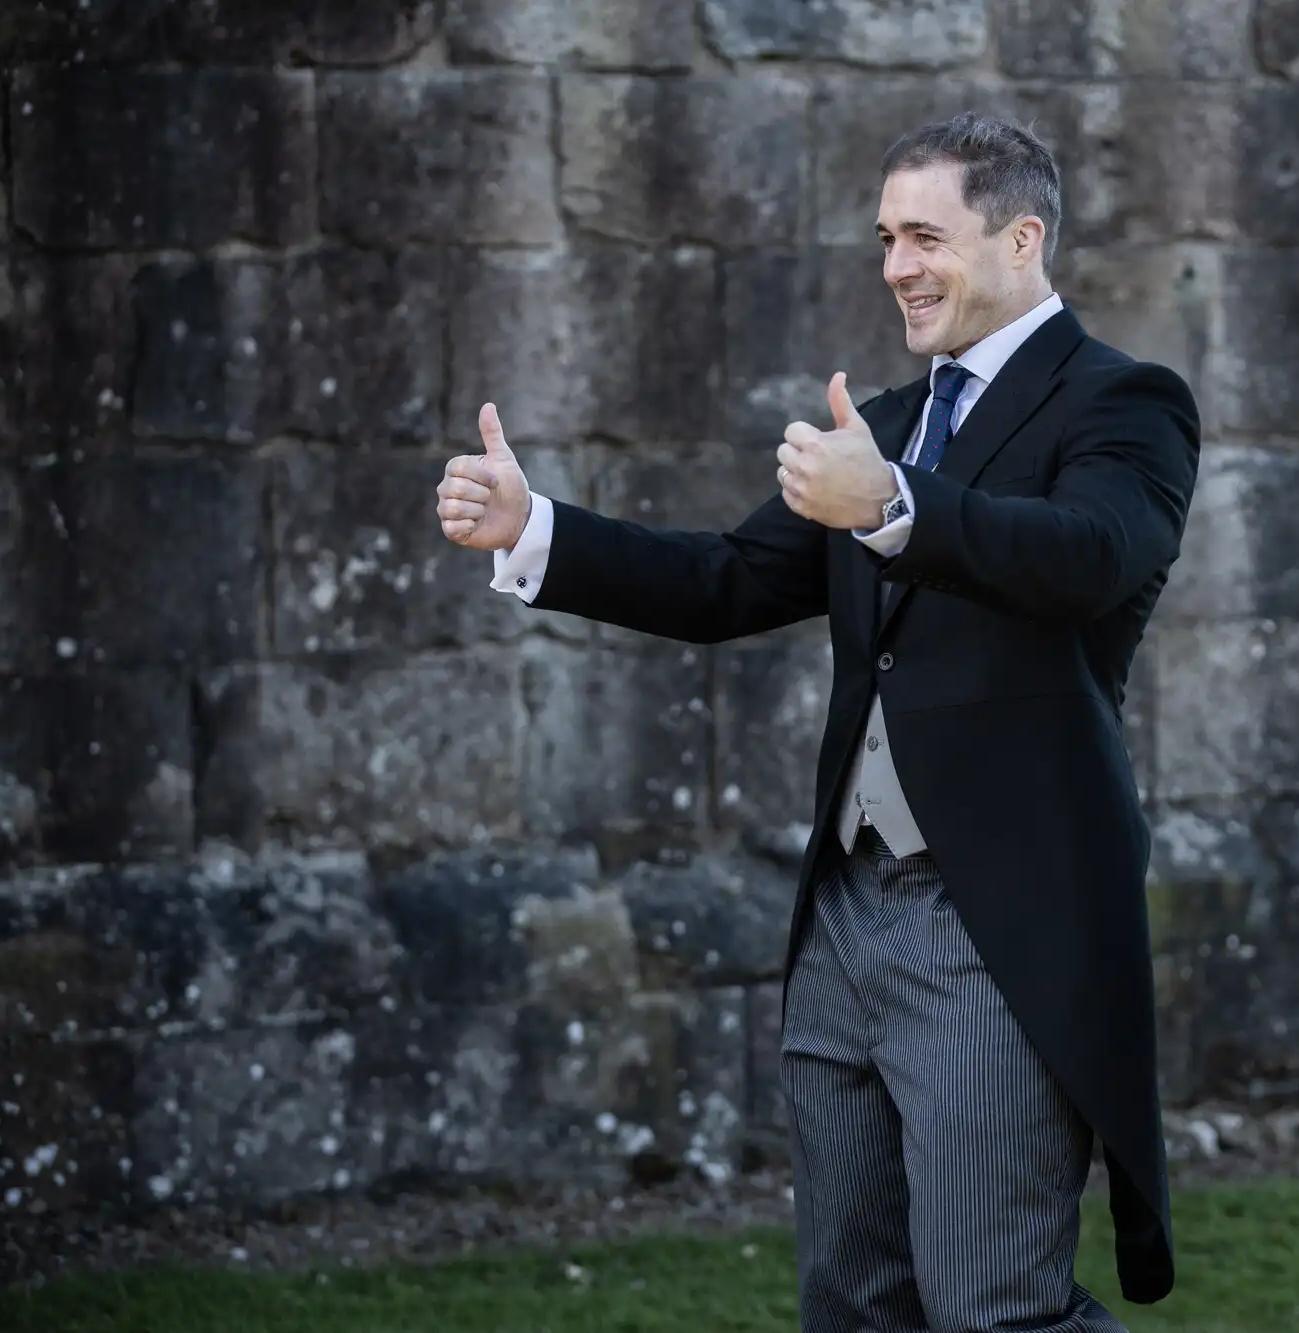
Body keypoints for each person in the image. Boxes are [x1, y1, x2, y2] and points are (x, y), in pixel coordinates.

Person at [434, 113, 1198, 1331]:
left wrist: (895, 506)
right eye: (886, 237)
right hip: (841, 920)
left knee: (993, 1308)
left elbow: (1090, 560)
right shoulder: (884, 423)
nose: (896, 264)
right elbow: (725, 580)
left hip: (992, 924)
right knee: (850, 1300)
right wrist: (536, 529)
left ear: (1019, 237)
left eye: (925, 236)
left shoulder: (1123, 403)